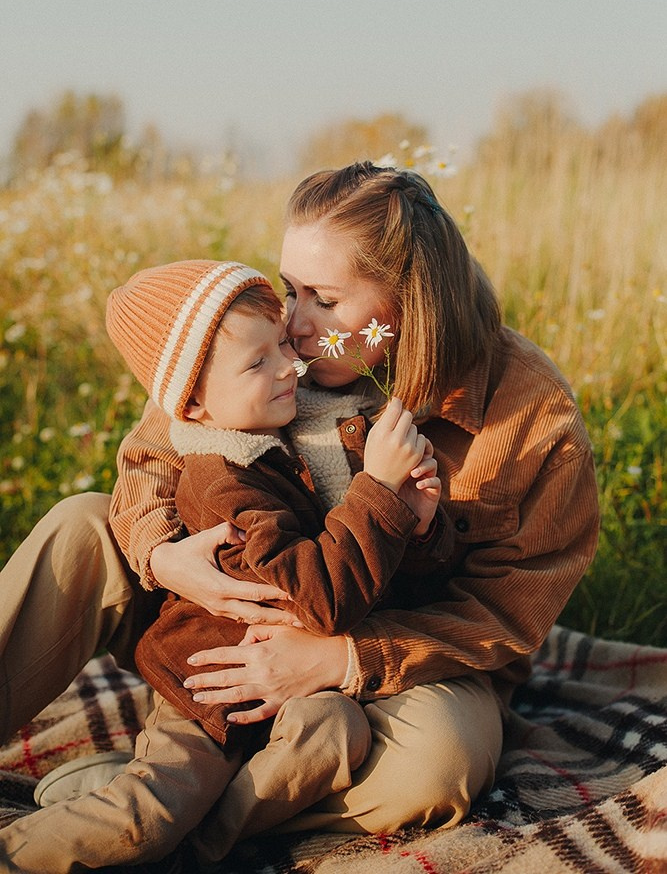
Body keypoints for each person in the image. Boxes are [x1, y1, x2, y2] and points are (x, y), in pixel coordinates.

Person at [0, 162, 599, 872]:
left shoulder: (531, 415)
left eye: (325, 299)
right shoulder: (267, 350)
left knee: (439, 766)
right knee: (80, 526)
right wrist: (163, 555)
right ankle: (148, 804)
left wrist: (340, 658)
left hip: (402, 661)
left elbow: (503, 616)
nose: (298, 321)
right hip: (217, 621)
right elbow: (150, 457)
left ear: (409, 301)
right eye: (292, 289)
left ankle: (151, 814)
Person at [106, 258, 441, 744]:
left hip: (311, 679)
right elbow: (325, 599)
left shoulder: (287, 415)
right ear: (192, 405)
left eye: (283, 342)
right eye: (257, 362)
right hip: (224, 682)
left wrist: (420, 527)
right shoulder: (226, 480)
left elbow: (387, 571)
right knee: (178, 771)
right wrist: (379, 490)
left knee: (331, 734)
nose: (290, 363)